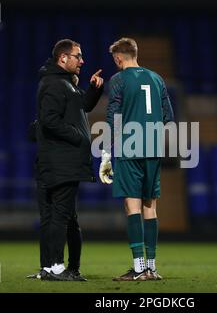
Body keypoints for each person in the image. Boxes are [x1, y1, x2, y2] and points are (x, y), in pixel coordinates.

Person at [99, 37, 174, 281]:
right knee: (150, 206)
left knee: (132, 205)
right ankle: (152, 267)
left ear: (118, 57)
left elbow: (114, 115)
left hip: (129, 147)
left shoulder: (119, 79)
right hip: (152, 147)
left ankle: (139, 267)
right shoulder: (157, 78)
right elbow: (168, 116)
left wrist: (108, 153)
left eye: (115, 59)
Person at [32, 39, 104, 281]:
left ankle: (56, 268)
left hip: (56, 160)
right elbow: (49, 120)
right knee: (59, 216)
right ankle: (55, 267)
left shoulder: (64, 83)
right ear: (63, 58)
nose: (82, 61)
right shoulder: (55, 84)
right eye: (78, 56)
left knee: (61, 217)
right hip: (60, 161)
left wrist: (94, 89)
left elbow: (82, 106)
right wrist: (79, 137)